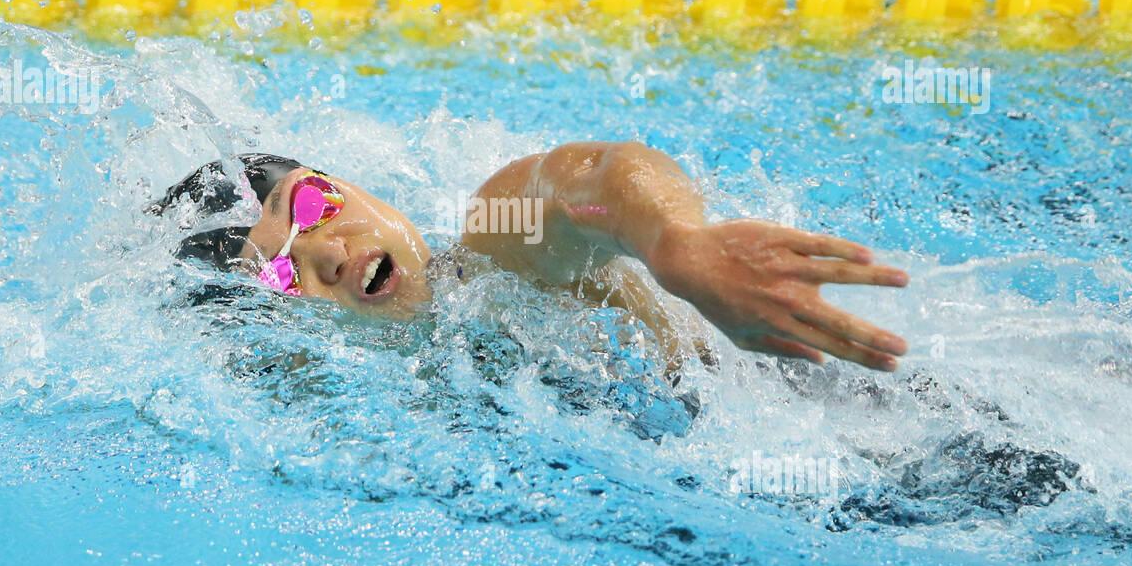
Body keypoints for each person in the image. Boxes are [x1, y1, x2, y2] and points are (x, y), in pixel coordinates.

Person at [147, 141, 910, 373]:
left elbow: (594, 178)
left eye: (312, 207)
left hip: (867, 427)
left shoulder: (491, 248)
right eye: (282, 273)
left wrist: (681, 249)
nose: (330, 254)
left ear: (346, 182)